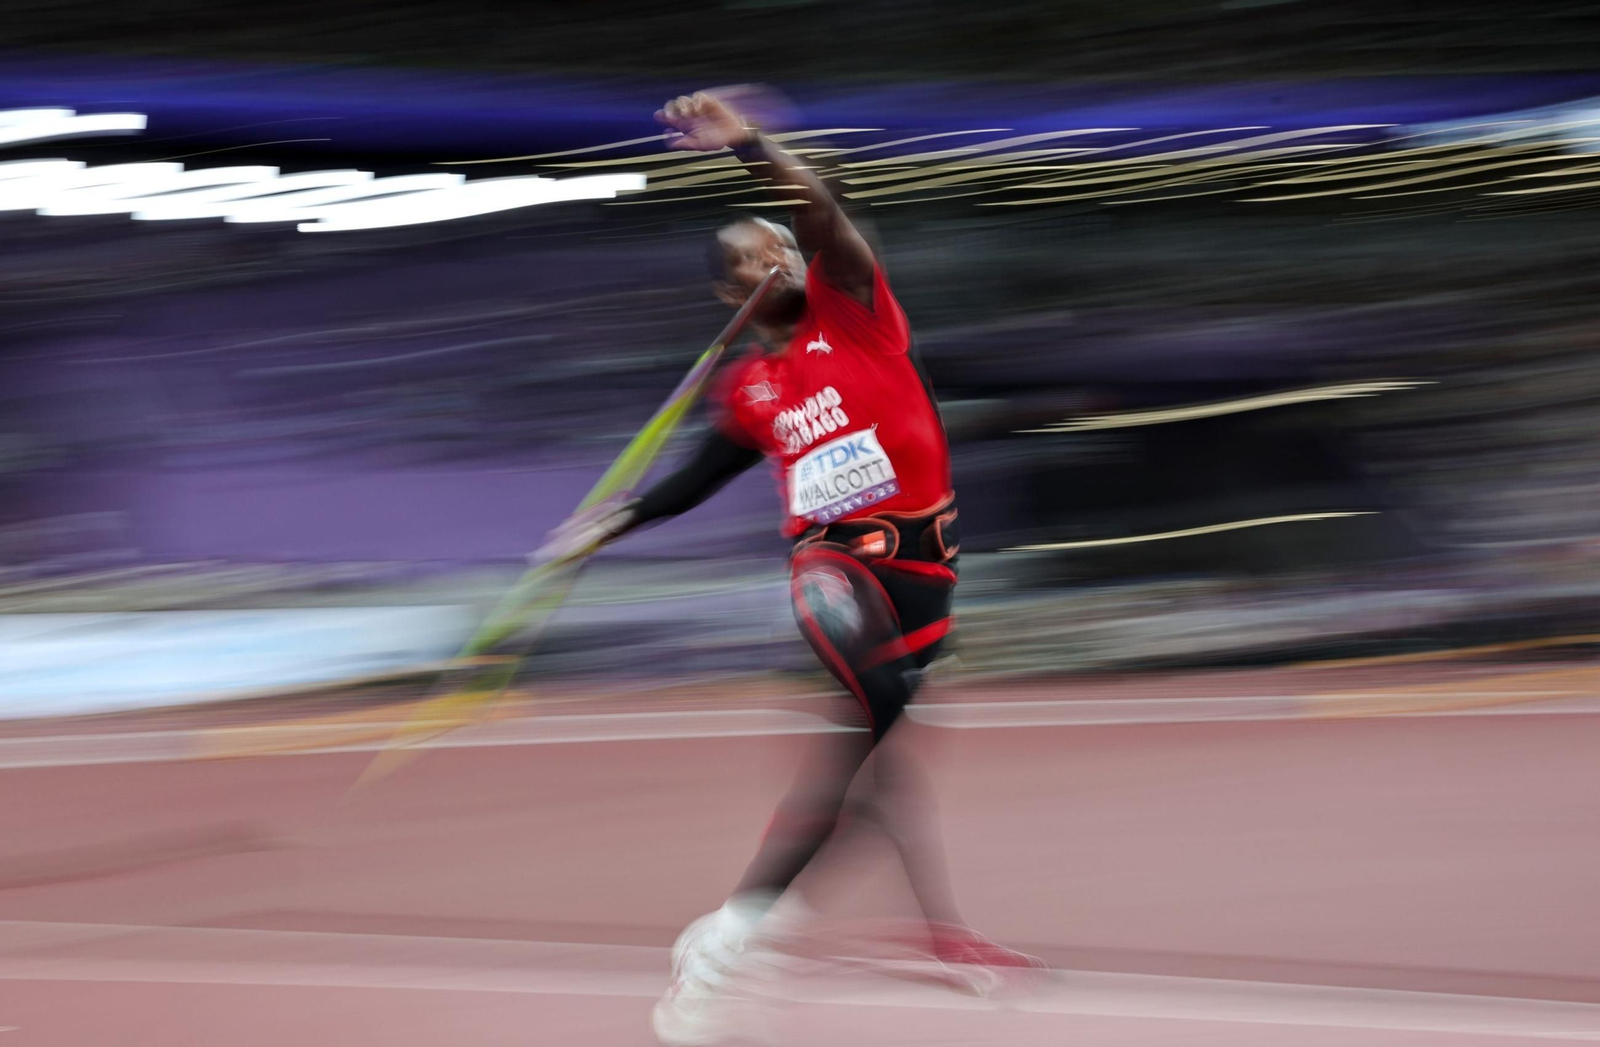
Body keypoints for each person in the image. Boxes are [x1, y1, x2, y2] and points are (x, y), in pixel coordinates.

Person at [543, 89, 1044, 1046]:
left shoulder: (856, 307)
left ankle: (919, 934)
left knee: (875, 761)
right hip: (832, 566)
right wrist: (607, 524)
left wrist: (752, 150)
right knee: (877, 718)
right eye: (749, 260)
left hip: (928, 573)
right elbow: (695, 478)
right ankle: (735, 935)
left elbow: (820, 209)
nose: (774, 255)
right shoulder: (750, 386)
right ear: (732, 298)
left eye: (776, 242)